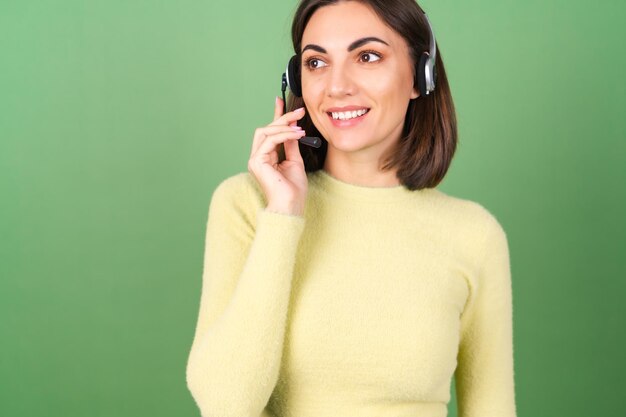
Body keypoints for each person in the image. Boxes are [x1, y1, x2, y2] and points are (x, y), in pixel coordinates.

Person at [186, 0, 517, 416]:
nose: (337, 86)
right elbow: (225, 404)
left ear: (421, 75)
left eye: (367, 56)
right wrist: (284, 216)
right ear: (296, 79)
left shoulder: (475, 234)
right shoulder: (248, 205)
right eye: (316, 63)